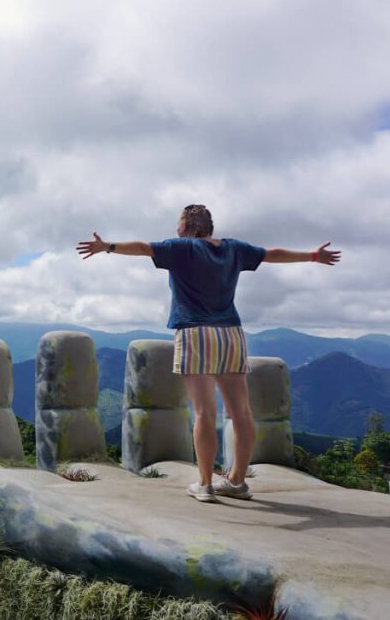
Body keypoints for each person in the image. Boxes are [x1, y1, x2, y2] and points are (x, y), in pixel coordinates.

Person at [76, 204, 340, 503]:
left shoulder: (181, 248)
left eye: (178, 221)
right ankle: (237, 482)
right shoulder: (234, 249)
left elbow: (142, 247)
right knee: (241, 412)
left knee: (204, 411)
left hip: (195, 332)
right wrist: (313, 256)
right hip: (231, 333)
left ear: (187, 224)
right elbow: (272, 253)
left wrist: (107, 246)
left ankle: (204, 484)